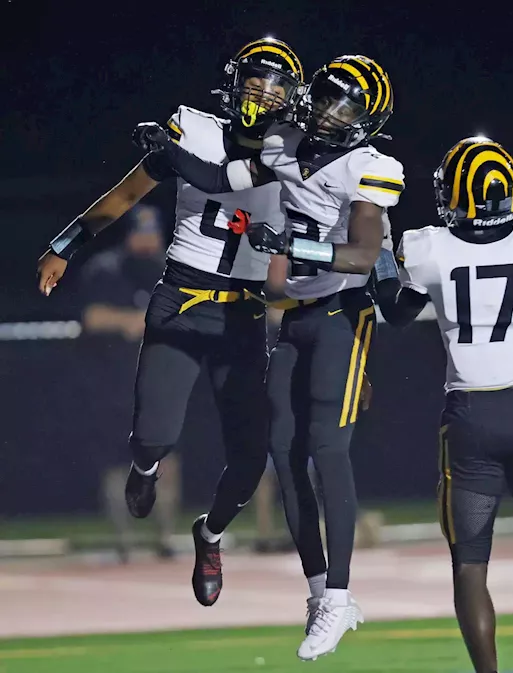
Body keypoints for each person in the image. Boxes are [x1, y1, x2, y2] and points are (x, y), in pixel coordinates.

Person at [135, 54, 404, 660]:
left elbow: (361, 255)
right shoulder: (283, 142)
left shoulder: (370, 165)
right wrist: (165, 150)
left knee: (327, 451)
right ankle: (317, 595)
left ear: (367, 122)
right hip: (297, 316)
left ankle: (339, 597)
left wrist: (290, 243)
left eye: (348, 106)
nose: (333, 111)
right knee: (283, 456)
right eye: (330, 95)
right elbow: (216, 179)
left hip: (343, 314)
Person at [36, 37, 305, 607]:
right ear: (233, 83)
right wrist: (65, 242)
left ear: (294, 98)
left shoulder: (300, 152)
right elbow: (128, 192)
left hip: (245, 310)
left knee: (252, 456)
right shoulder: (197, 129)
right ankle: (146, 464)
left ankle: (209, 536)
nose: (262, 92)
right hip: (182, 298)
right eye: (254, 79)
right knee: (155, 434)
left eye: (275, 84)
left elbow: (297, 213)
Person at [377, 136, 513, 673]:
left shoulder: (428, 250)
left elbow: (395, 313)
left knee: (470, 564)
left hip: (470, 418)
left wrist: (380, 255)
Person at [77, 205, 180, 562]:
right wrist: (132, 320)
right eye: (141, 235)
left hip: (158, 383)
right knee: (117, 464)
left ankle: (165, 538)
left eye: (153, 236)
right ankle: (124, 542)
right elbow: (91, 317)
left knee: (167, 461)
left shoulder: (168, 269)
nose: (147, 244)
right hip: (112, 385)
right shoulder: (106, 270)